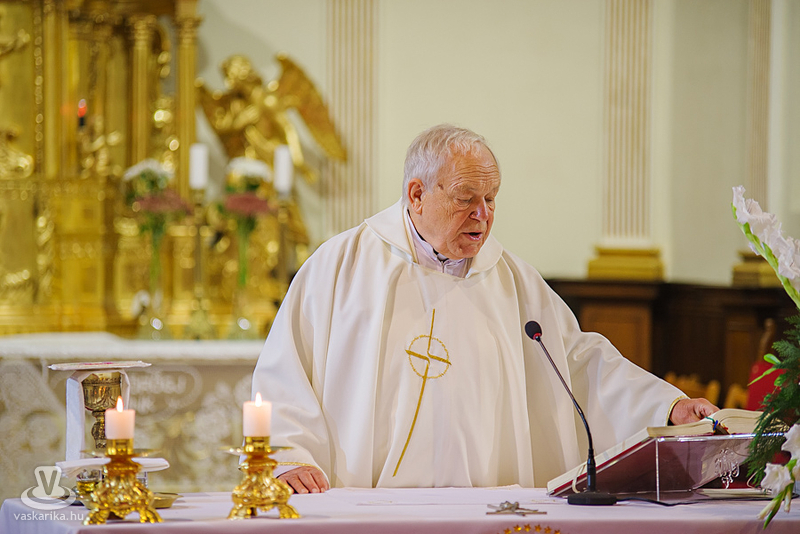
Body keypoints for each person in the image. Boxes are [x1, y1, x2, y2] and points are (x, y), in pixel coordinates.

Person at [252, 124, 717, 494]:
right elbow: (286, 370)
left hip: (486, 507)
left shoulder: (513, 281)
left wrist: (667, 405)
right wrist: (288, 455)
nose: (483, 215)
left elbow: (579, 363)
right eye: (465, 199)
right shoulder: (341, 267)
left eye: (491, 199)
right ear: (416, 195)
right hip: (366, 506)